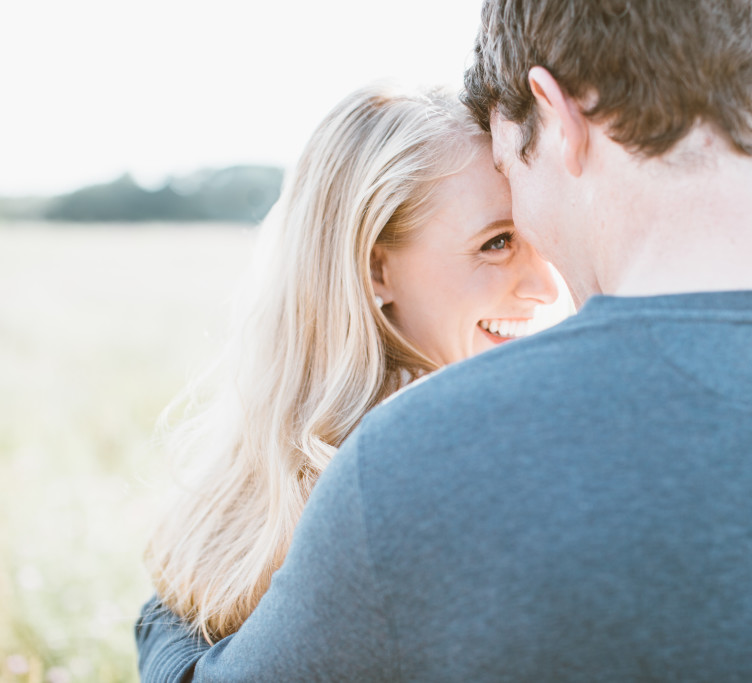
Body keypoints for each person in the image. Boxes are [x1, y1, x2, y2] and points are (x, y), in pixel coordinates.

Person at [137, 1, 752, 680]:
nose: (541, 263)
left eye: (514, 177)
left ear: (553, 116)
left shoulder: (426, 458)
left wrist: (166, 617)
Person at [135, 83, 559, 677]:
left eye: (537, 238)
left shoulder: (263, 473)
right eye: (497, 243)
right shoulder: (409, 472)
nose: (546, 286)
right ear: (375, 268)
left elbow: (163, 622)